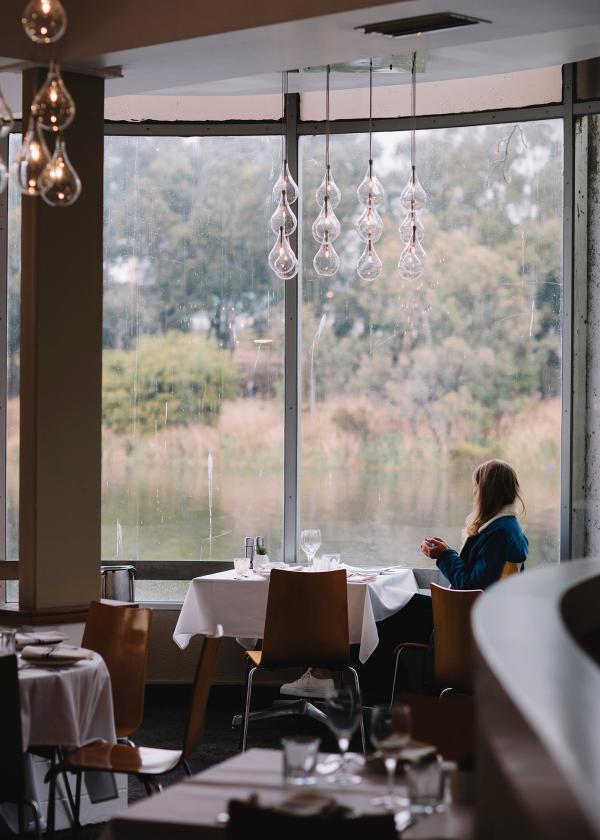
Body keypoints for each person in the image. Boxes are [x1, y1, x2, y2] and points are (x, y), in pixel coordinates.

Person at [280, 458, 528, 700]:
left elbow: (470, 585)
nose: (474, 492)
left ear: (486, 492)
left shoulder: (499, 534)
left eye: (476, 486)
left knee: (383, 620)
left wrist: (445, 555)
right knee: (395, 607)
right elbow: (479, 579)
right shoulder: (507, 529)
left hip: (462, 619)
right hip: (470, 614)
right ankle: (391, 694)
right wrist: (447, 553)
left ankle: (375, 698)